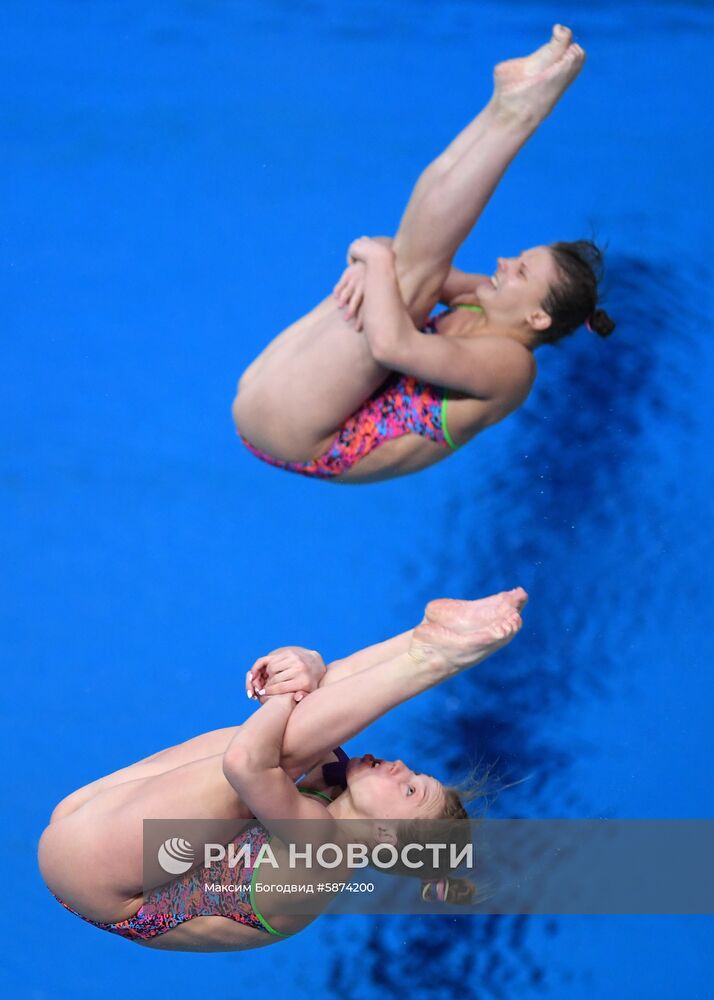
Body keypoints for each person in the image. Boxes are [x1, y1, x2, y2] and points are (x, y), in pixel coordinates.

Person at [38, 588, 527, 951]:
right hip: (91, 826)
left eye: (410, 790)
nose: (401, 766)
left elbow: (245, 763)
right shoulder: (335, 796)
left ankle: (432, 660)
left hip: (96, 878)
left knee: (273, 754)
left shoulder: (322, 859)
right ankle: (421, 637)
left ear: (383, 834)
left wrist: (286, 692)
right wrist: (307, 666)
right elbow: (323, 705)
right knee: (304, 727)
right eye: (415, 776)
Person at [233, 26, 615, 484]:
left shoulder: (512, 367)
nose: (502, 263)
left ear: (537, 317)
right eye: (517, 258)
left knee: (407, 281)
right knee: (410, 271)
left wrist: (372, 258)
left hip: (309, 439)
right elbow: (412, 249)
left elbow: (391, 344)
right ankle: (504, 108)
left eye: (520, 271)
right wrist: (378, 255)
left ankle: (520, 113)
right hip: (284, 407)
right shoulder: (482, 302)